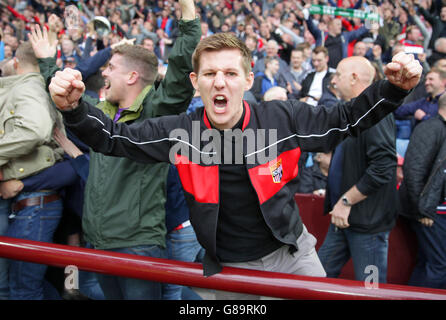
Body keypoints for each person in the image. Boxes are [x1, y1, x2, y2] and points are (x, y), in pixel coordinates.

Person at [48, 33, 422, 299]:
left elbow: (346, 119)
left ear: (248, 79)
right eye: (210, 74)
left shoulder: (282, 117)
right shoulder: (183, 132)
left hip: (291, 257)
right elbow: (114, 138)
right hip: (224, 269)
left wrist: (393, 89)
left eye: (230, 73)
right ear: (196, 83)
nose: (219, 82)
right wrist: (74, 109)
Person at [51, 0, 200, 300]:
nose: (104, 73)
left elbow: (181, 73)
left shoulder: (155, 113)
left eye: (111, 67)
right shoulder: (102, 114)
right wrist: (48, 66)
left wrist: (187, 13)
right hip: (98, 243)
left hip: (137, 244)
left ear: (132, 76)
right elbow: (65, 98)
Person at [317, 56, 399, 284]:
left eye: (338, 76)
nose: (333, 81)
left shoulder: (377, 112)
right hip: (343, 218)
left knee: (370, 289)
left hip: (366, 224)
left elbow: (383, 166)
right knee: (316, 279)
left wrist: (346, 201)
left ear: (354, 78)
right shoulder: (351, 111)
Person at [0, 41, 65, 299]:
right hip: (28, 203)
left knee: (23, 291)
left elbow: (35, 130)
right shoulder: (29, 86)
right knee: (19, 288)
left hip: (33, 204)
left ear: (16, 62)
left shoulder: (28, 86)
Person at [398, 92, 446, 289]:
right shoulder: (430, 128)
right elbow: (413, 170)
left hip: (434, 210)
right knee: (439, 265)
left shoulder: (439, 128)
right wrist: (421, 209)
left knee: (428, 263)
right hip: (429, 212)